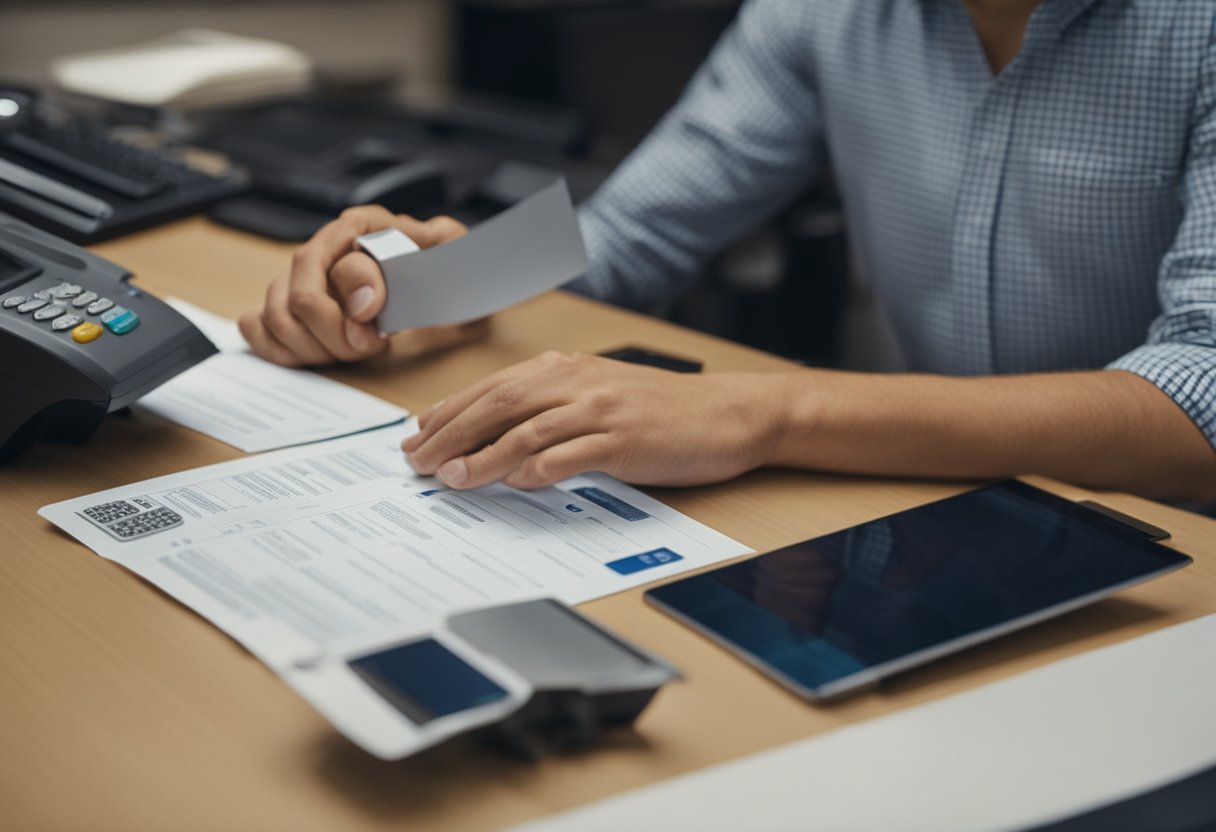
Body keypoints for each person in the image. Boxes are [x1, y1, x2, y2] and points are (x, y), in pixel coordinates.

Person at [241, 0, 1216, 503]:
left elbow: (1200, 396)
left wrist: (769, 406)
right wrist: (422, 284)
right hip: (950, 500)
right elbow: (636, 230)